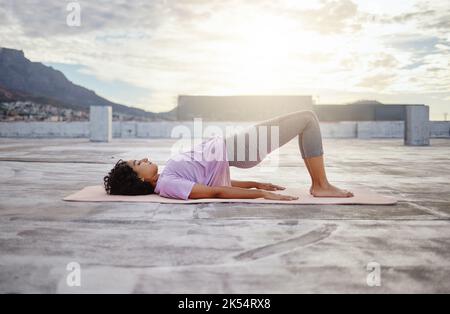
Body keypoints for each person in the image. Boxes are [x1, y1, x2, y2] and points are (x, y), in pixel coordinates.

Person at [103, 110, 354, 200]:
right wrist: (259, 195)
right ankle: (320, 185)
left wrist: (254, 183)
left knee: (305, 120)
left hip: (236, 146)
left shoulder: (168, 176)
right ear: (139, 180)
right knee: (307, 119)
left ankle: (320, 184)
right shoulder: (168, 185)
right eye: (138, 163)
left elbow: (212, 182)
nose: (144, 158)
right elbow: (215, 192)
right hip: (239, 147)